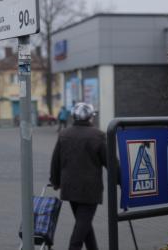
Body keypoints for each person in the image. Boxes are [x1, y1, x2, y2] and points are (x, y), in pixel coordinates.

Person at [49, 103, 106, 250]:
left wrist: (55, 181)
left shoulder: (64, 134)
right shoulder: (98, 135)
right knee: (82, 227)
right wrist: (122, 180)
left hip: (70, 188)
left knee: (84, 224)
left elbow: (56, 161)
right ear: (90, 117)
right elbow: (111, 162)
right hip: (90, 190)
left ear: (74, 116)